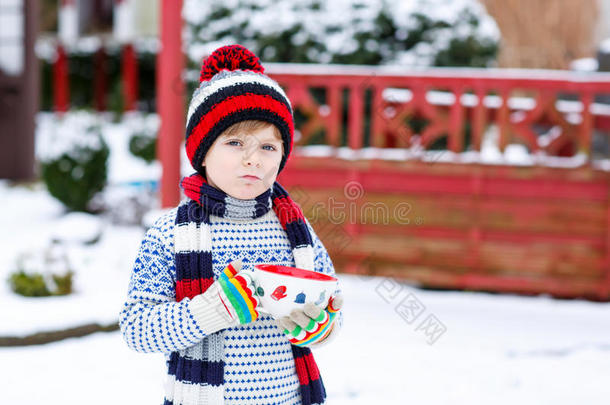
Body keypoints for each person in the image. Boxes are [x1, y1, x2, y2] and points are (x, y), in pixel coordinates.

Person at [119, 44, 344, 405]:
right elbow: (137, 330)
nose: (252, 159)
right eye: (235, 142)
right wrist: (213, 309)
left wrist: (320, 325)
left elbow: (331, 308)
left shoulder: (295, 230)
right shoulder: (168, 234)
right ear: (202, 152)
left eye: (268, 147)